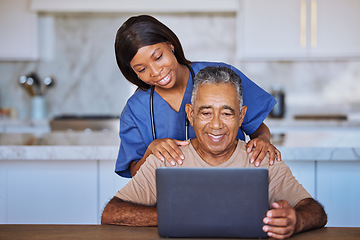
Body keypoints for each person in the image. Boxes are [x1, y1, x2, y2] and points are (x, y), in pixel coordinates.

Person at [102, 66, 327, 239]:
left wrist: (295, 221)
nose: (216, 125)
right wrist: (175, 216)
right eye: (206, 113)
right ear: (190, 115)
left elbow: (315, 211)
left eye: (227, 114)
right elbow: (111, 213)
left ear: (242, 116)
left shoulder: (261, 159)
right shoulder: (167, 159)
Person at [114, 15, 281, 178]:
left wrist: (263, 139)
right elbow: (134, 171)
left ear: (170, 45)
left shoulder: (222, 77)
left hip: (231, 183)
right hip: (170, 196)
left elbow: (257, 128)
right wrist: (150, 152)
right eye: (142, 69)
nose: (156, 72)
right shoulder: (135, 109)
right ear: (133, 72)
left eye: (158, 57)